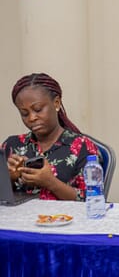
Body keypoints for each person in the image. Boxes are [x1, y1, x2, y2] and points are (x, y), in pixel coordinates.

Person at [2, 73, 100, 201]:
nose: (32, 118)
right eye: (24, 113)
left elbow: (94, 200)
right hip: (20, 220)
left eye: (38, 109)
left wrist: (50, 182)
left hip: (66, 220)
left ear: (57, 103)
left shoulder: (82, 146)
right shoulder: (11, 145)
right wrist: (9, 178)